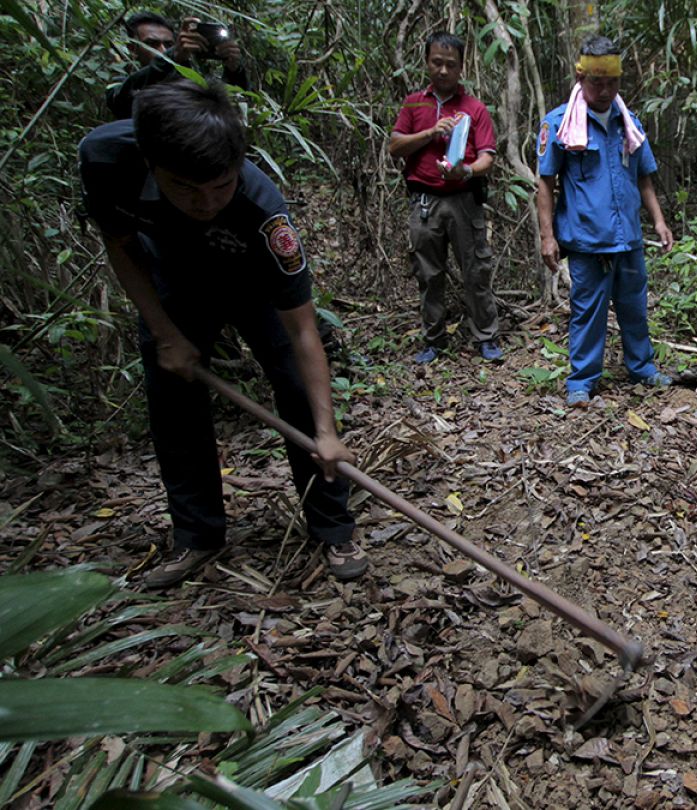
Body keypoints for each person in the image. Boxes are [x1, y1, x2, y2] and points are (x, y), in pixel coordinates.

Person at [79, 81, 367, 588]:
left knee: (298, 391)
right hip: (172, 279)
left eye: (220, 186)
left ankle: (332, 528)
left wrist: (326, 433)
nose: (205, 201)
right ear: (150, 162)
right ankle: (197, 536)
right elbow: (121, 245)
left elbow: (302, 329)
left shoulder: (264, 213)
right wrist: (166, 333)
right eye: (186, 187)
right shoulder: (106, 161)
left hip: (252, 283)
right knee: (173, 401)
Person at [534, 34, 674, 408]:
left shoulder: (628, 122)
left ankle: (641, 368)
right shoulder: (560, 124)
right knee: (587, 312)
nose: (605, 90)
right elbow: (545, 183)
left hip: (627, 237)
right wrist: (547, 237)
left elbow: (644, 177)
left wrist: (658, 221)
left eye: (612, 82)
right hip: (586, 240)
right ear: (581, 78)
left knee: (634, 306)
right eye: (597, 82)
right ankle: (581, 381)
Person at [388, 31, 503, 365]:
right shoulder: (414, 104)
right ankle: (434, 340)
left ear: (461, 67)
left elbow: (487, 157)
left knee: (476, 270)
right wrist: (430, 132)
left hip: (464, 199)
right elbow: (395, 146)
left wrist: (466, 171)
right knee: (428, 273)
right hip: (424, 202)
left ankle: (486, 336)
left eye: (450, 65)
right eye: (436, 62)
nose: (442, 70)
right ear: (426, 62)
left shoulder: (474, 108)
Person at [106, 12, 249, 120]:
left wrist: (234, 70)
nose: (162, 50)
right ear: (132, 48)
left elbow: (225, 111)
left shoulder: (188, 78)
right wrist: (171, 57)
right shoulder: (120, 82)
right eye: (152, 44)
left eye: (168, 45)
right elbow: (121, 101)